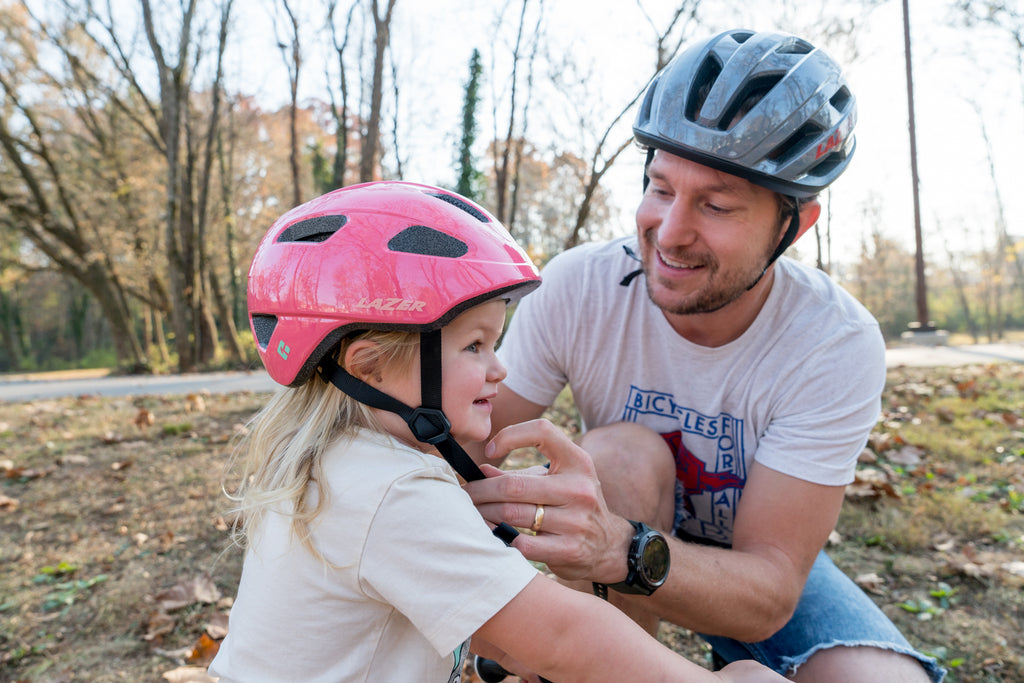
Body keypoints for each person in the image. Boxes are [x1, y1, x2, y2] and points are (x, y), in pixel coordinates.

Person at [465, 29, 945, 683]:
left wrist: (621, 547)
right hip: (626, 515)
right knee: (621, 457)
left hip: (740, 563)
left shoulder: (834, 340)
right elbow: (466, 444)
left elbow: (769, 590)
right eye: (661, 188)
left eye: (716, 204)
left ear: (794, 225)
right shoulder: (580, 285)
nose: (671, 231)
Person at [208, 181, 787, 682]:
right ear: (369, 366)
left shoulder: (339, 466)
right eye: (474, 346)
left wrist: (509, 648)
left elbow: (461, 613)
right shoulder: (391, 491)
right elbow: (564, 636)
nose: (499, 368)